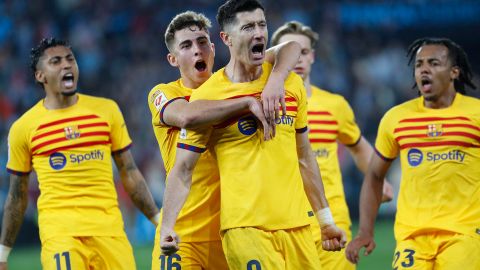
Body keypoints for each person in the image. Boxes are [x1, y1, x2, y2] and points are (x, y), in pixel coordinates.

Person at [159, 1, 347, 269]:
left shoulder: (289, 84)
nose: (258, 33)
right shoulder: (208, 97)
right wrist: (167, 224)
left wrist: (326, 221)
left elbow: (304, 156)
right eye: (248, 27)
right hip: (245, 228)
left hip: (298, 227)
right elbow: (183, 168)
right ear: (226, 38)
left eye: (262, 25)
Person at [148, 11, 302, 270]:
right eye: (186, 46)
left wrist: (276, 79)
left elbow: (291, 47)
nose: (197, 50)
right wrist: (246, 103)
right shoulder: (163, 93)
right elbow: (187, 116)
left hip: (229, 232)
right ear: (173, 59)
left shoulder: (231, 83)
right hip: (182, 233)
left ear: (213, 47)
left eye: (201, 42)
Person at [0, 38, 160, 270]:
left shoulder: (107, 110)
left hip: (109, 231)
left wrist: (158, 220)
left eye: (70, 59)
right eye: (56, 61)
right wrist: (3, 253)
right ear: (40, 76)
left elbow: (129, 171)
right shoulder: (24, 128)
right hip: (61, 235)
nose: (66, 65)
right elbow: (17, 195)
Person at [345, 37, 480, 270]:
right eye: (419, 64)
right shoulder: (396, 118)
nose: (424, 69)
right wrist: (365, 231)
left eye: (434, 63)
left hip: (464, 234)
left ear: (454, 72)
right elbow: (375, 176)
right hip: (412, 238)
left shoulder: (475, 114)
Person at [271, 21, 394, 269]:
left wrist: (379, 180)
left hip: (333, 217)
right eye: (290, 52)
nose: (298, 58)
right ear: (275, 58)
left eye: (303, 52)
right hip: (284, 222)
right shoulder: (266, 105)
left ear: (313, 56)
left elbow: (358, 146)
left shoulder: (334, 105)